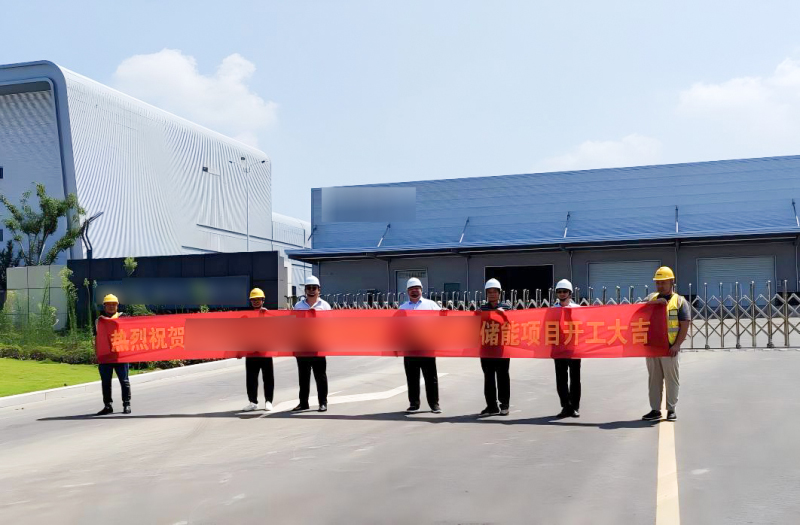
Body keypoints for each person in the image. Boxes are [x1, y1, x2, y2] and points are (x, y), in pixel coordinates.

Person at [641, 266, 690, 422]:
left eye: (663, 282)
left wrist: (677, 345)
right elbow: (638, 309)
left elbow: (684, 325)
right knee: (654, 379)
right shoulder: (651, 298)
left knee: (671, 379)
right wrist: (655, 303)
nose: (660, 286)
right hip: (652, 348)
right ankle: (655, 409)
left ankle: (671, 409)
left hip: (670, 348)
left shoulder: (680, 301)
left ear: (671, 282)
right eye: (658, 283)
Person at [398, 277, 442, 414]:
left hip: (427, 346)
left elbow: (443, 321)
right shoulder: (403, 308)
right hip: (410, 348)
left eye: (417, 288)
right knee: (412, 377)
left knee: (431, 377)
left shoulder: (431, 305)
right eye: (411, 289)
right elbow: (396, 327)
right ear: (407, 291)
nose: (414, 291)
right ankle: (414, 404)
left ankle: (434, 404)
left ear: (421, 290)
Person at [292, 276, 331, 412]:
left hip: (318, 346)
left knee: (320, 376)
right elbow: (294, 325)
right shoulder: (298, 306)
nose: (311, 290)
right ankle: (303, 402)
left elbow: (330, 326)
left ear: (319, 289)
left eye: (314, 288)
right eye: (309, 288)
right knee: (303, 376)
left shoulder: (325, 306)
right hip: (302, 346)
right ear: (305, 290)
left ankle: (323, 402)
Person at [478, 279, 513, 416]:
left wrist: (503, 315)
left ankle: (504, 405)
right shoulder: (482, 308)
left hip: (501, 347)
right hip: (486, 347)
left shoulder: (507, 307)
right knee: (488, 378)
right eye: (489, 292)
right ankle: (491, 406)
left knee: (503, 376)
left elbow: (515, 324)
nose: (492, 294)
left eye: (494, 292)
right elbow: (473, 324)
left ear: (499, 293)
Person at [95, 294, 131, 415]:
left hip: (121, 355)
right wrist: (97, 354)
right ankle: (107, 405)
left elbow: (131, 333)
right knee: (106, 382)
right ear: (104, 306)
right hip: (105, 356)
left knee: (124, 381)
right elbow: (96, 338)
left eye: (114, 304)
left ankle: (126, 404)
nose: (111, 307)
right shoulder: (99, 321)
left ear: (117, 305)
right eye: (109, 304)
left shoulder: (124, 318)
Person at [552, 279, 582, 418]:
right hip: (558, 348)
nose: (562, 294)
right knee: (561, 378)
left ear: (570, 293)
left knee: (575, 378)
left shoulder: (578, 309)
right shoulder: (552, 310)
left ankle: (574, 406)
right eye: (559, 291)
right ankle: (565, 406)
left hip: (574, 347)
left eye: (564, 291)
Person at [242, 288, 274, 412]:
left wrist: (267, 315)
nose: (255, 301)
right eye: (253, 299)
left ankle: (269, 401)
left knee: (268, 378)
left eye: (258, 299)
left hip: (265, 352)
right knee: (251, 378)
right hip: (251, 352)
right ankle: (252, 402)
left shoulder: (268, 314)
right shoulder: (246, 316)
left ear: (263, 300)